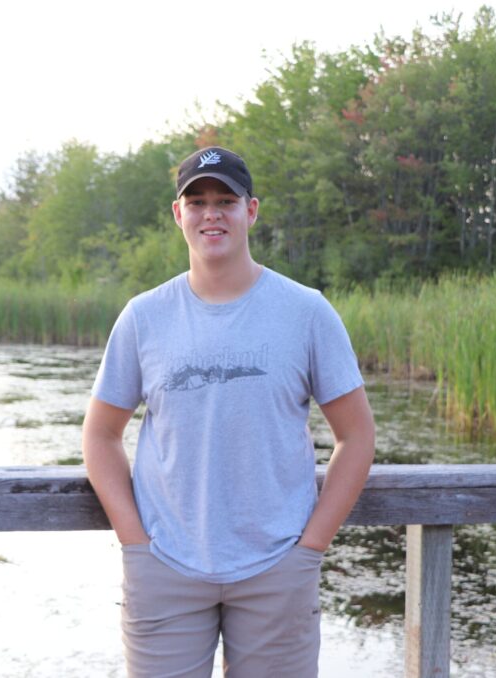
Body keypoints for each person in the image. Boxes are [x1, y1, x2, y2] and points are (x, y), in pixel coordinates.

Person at [82, 146, 375, 677]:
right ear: (178, 214)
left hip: (278, 567)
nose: (210, 213)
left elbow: (356, 437)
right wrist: (135, 543)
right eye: (196, 202)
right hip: (165, 569)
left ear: (251, 210)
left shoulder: (306, 312)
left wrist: (310, 548)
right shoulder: (143, 317)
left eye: (225, 200)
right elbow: (101, 436)